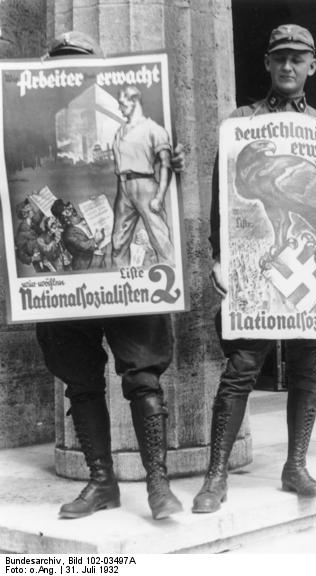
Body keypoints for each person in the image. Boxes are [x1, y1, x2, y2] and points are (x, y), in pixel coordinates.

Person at [195, 24, 316, 513]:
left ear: (311, 66)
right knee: (241, 367)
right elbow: (221, 194)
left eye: (297, 59)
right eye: (279, 57)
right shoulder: (242, 122)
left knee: (305, 369)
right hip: (256, 272)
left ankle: (295, 465)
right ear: (267, 63)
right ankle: (216, 475)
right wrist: (218, 255)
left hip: (308, 267)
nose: (287, 66)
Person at [36, 30, 185, 520]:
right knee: (79, 379)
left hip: (121, 277)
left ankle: (158, 484)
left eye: (79, 63)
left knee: (142, 373)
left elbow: (155, 169)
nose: (70, 71)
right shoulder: (24, 114)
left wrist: (173, 164)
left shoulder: (131, 123)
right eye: (61, 63)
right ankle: (102, 482)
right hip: (67, 282)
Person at [110, 85, 175, 268]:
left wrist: (159, 197)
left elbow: (166, 164)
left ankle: (170, 275)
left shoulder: (153, 129)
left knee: (160, 240)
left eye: (122, 104)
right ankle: (120, 281)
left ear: (134, 101)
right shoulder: (120, 131)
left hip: (145, 186)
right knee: (118, 243)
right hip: (123, 188)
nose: (119, 108)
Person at [50, 199, 106, 270]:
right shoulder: (68, 233)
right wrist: (95, 240)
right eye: (67, 211)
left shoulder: (85, 220)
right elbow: (83, 245)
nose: (71, 209)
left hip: (100, 259)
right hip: (87, 265)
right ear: (64, 218)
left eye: (69, 207)